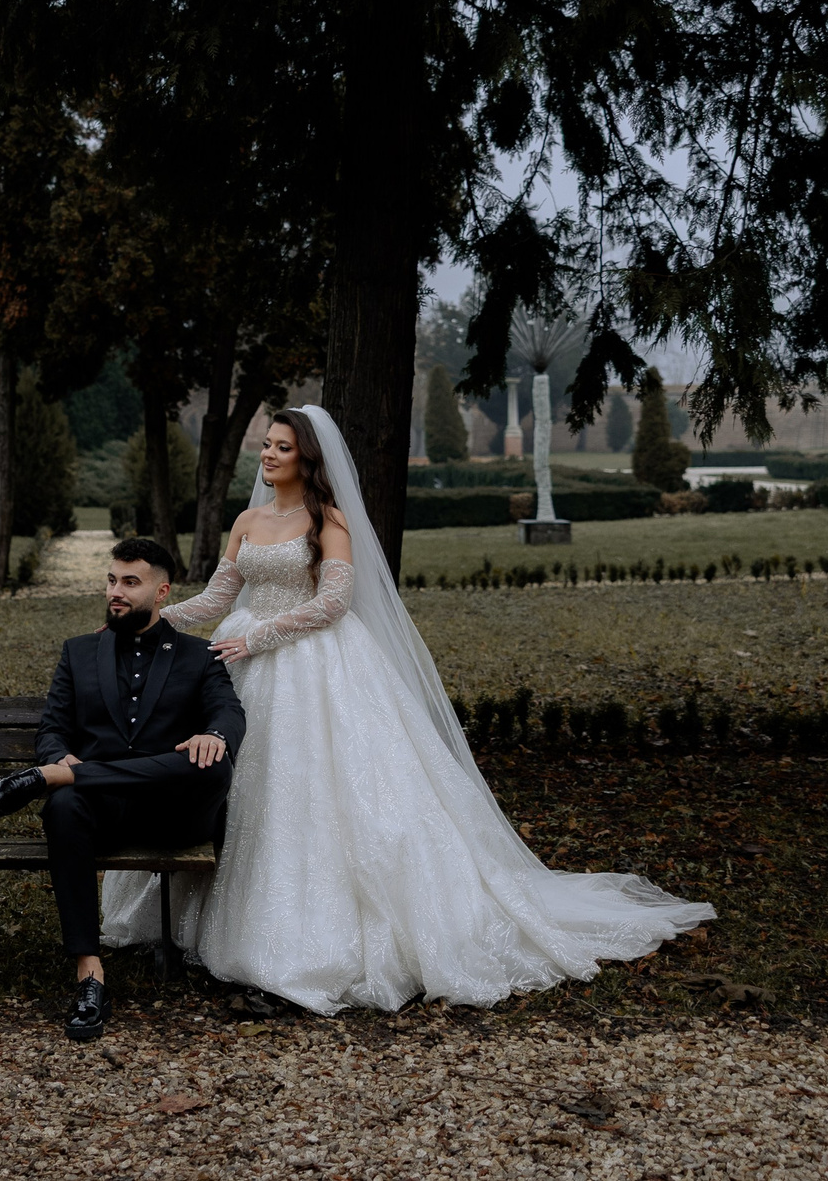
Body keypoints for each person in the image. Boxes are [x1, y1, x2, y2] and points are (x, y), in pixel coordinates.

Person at [101, 405, 714, 1014]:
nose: (267, 454)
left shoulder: (329, 520)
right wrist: (154, 618)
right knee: (245, 788)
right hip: (241, 664)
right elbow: (219, 594)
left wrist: (260, 636)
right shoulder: (247, 520)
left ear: (306, 458)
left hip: (314, 663)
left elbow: (335, 603)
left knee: (320, 791)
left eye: (282, 447)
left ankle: (323, 929)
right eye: (267, 444)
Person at [0, 536, 246, 1042]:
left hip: (172, 816)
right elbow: (53, 728)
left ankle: (64, 780)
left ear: (162, 590)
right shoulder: (78, 652)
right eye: (111, 580)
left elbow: (228, 713)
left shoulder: (199, 655)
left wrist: (214, 734)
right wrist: (55, 758)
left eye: (131, 582)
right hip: (102, 813)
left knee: (212, 765)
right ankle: (89, 972)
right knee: (63, 804)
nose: (116, 592)